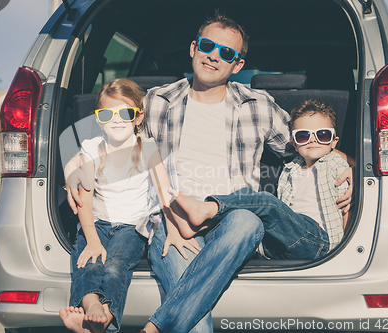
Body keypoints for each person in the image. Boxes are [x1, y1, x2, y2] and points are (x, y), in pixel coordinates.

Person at [65, 13, 353, 333]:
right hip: (172, 221)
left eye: (227, 53)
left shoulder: (259, 105)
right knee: (197, 321)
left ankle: (157, 326)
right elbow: (109, 134)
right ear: (194, 48)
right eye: (207, 45)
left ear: (238, 65)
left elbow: (309, 142)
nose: (214, 55)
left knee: (248, 219)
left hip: (230, 221)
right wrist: (74, 169)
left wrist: (344, 163)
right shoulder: (157, 101)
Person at [58, 78, 190, 333]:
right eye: (107, 114)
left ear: (138, 117)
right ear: (99, 120)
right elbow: (84, 195)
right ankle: (94, 306)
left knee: (117, 266)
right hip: (96, 222)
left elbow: (164, 191)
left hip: (133, 226)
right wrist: (93, 238)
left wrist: (174, 230)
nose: (116, 120)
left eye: (125, 113)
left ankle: (103, 318)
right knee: (87, 261)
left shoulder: (148, 148)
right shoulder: (92, 149)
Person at [169, 100, 352, 260]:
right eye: (303, 136)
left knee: (266, 202)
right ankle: (205, 224)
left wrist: (346, 249)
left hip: (319, 240)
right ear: (294, 144)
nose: (313, 140)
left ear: (334, 141)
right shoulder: (291, 169)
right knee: (248, 206)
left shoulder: (336, 164)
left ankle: (206, 209)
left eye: (322, 135)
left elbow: (346, 211)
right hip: (285, 244)